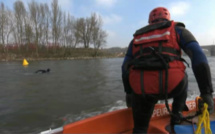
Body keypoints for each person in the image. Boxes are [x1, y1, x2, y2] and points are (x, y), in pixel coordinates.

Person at [121, 7, 214, 133]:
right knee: (183, 75)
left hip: (141, 89)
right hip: (172, 87)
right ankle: (176, 115)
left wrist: (129, 94)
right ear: (168, 18)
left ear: (150, 21)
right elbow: (199, 57)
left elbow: (125, 68)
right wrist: (206, 92)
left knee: (140, 128)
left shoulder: (136, 38)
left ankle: (140, 129)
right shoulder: (178, 30)